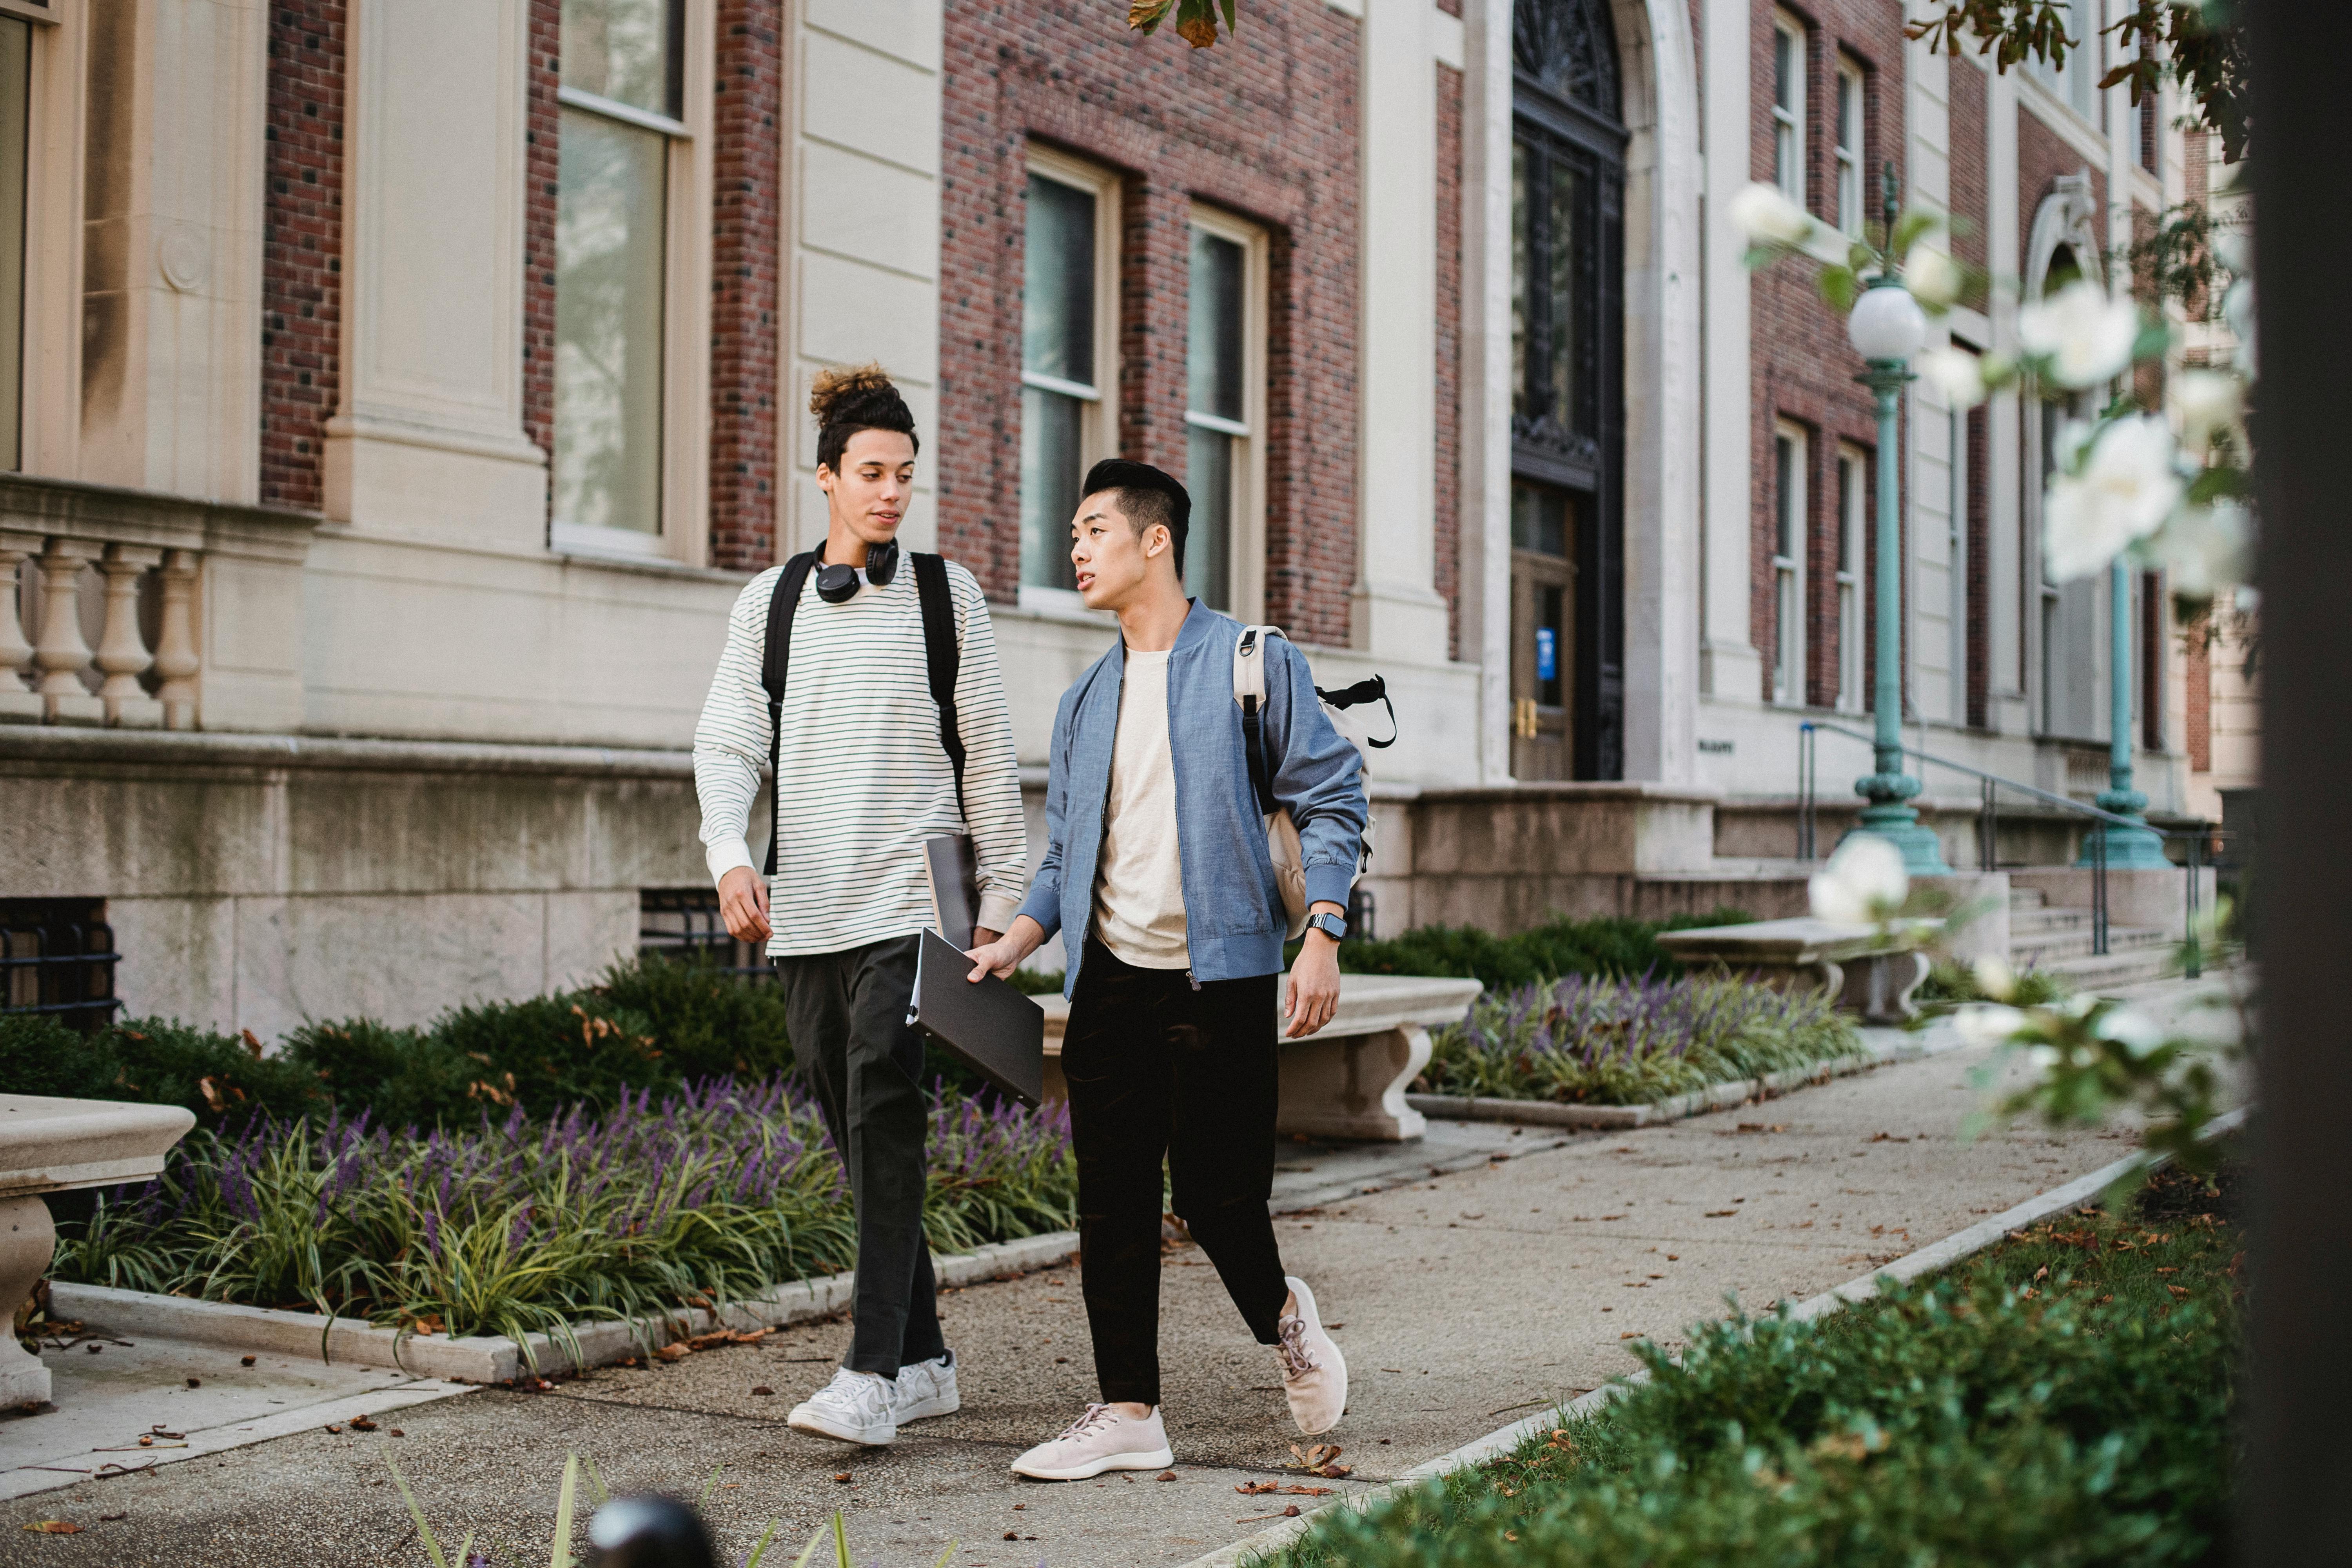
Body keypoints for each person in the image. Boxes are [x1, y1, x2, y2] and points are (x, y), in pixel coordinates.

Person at [964, 459, 1368, 1481]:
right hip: (1110, 982)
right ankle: (1129, 1410)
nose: (1076, 549)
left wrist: (1321, 935)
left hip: (1220, 976)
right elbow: (1063, 853)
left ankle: (1285, 1318)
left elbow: (1332, 799)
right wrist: (1018, 934)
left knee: (1221, 1200)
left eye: (1093, 529)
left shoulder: (1248, 661)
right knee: (1109, 1198)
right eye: (1073, 533)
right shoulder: (1085, 700)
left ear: (1155, 541)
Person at [692, 365, 1027, 1447]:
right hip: (810, 908)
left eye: (906, 477)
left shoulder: (946, 594)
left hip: (912, 899)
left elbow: (988, 756)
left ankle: (870, 1373)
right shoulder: (774, 600)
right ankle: (926, 1358)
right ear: (827, 476)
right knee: (858, 1133)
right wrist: (726, 853)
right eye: (872, 474)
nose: (891, 493)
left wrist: (1005, 901)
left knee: (886, 1098)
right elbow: (731, 739)